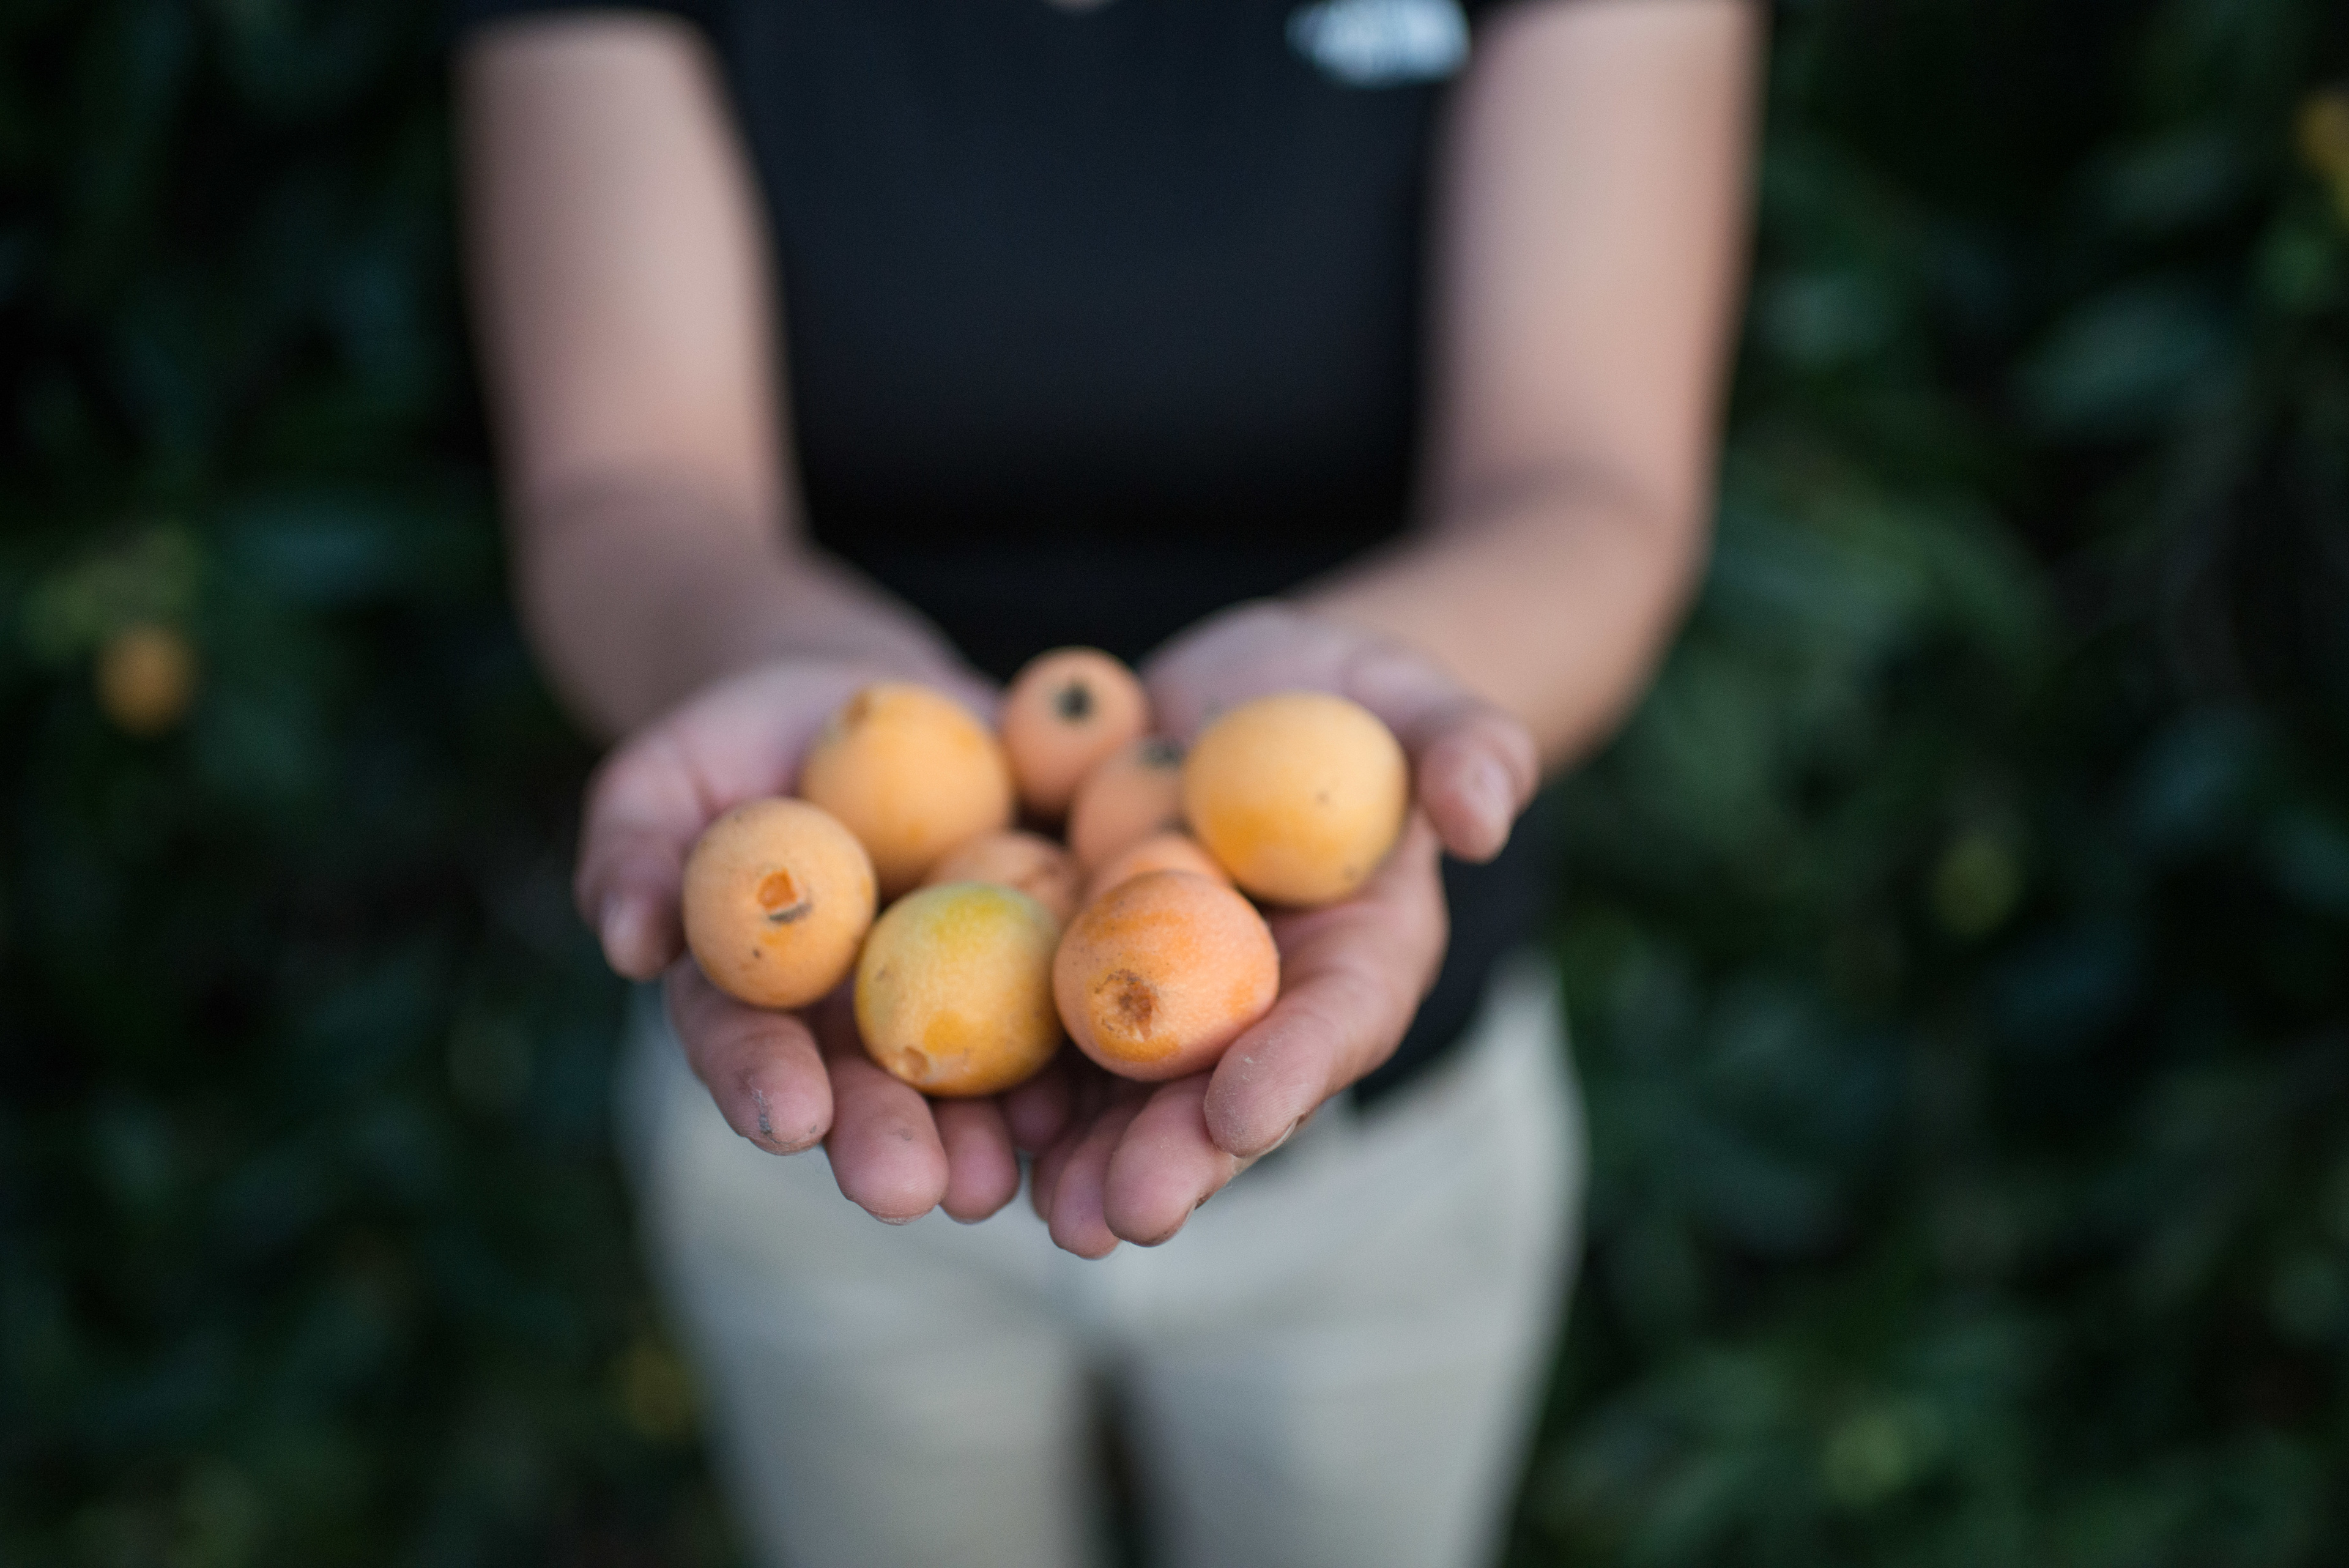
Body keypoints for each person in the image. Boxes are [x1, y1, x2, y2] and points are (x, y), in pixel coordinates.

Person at [453, 1, 1757, 1563]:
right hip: (819, 1147)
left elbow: (1592, 492)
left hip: (1390, 1138)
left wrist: (1373, 685)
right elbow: (620, 489)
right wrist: (787, 667)